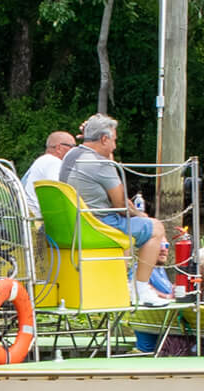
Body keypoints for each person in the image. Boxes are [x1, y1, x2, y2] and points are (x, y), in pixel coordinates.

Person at [60, 114, 167, 307]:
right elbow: (121, 206)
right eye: (114, 140)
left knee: (134, 227)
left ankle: (124, 283)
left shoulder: (71, 155)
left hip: (73, 227)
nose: (115, 147)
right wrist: (142, 215)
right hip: (98, 227)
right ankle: (141, 289)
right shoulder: (102, 165)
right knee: (156, 228)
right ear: (104, 139)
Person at [20, 130, 75, 199]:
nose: (74, 150)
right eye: (72, 146)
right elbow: (57, 192)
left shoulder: (42, 160)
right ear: (59, 148)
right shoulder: (54, 162)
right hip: (39, 209)